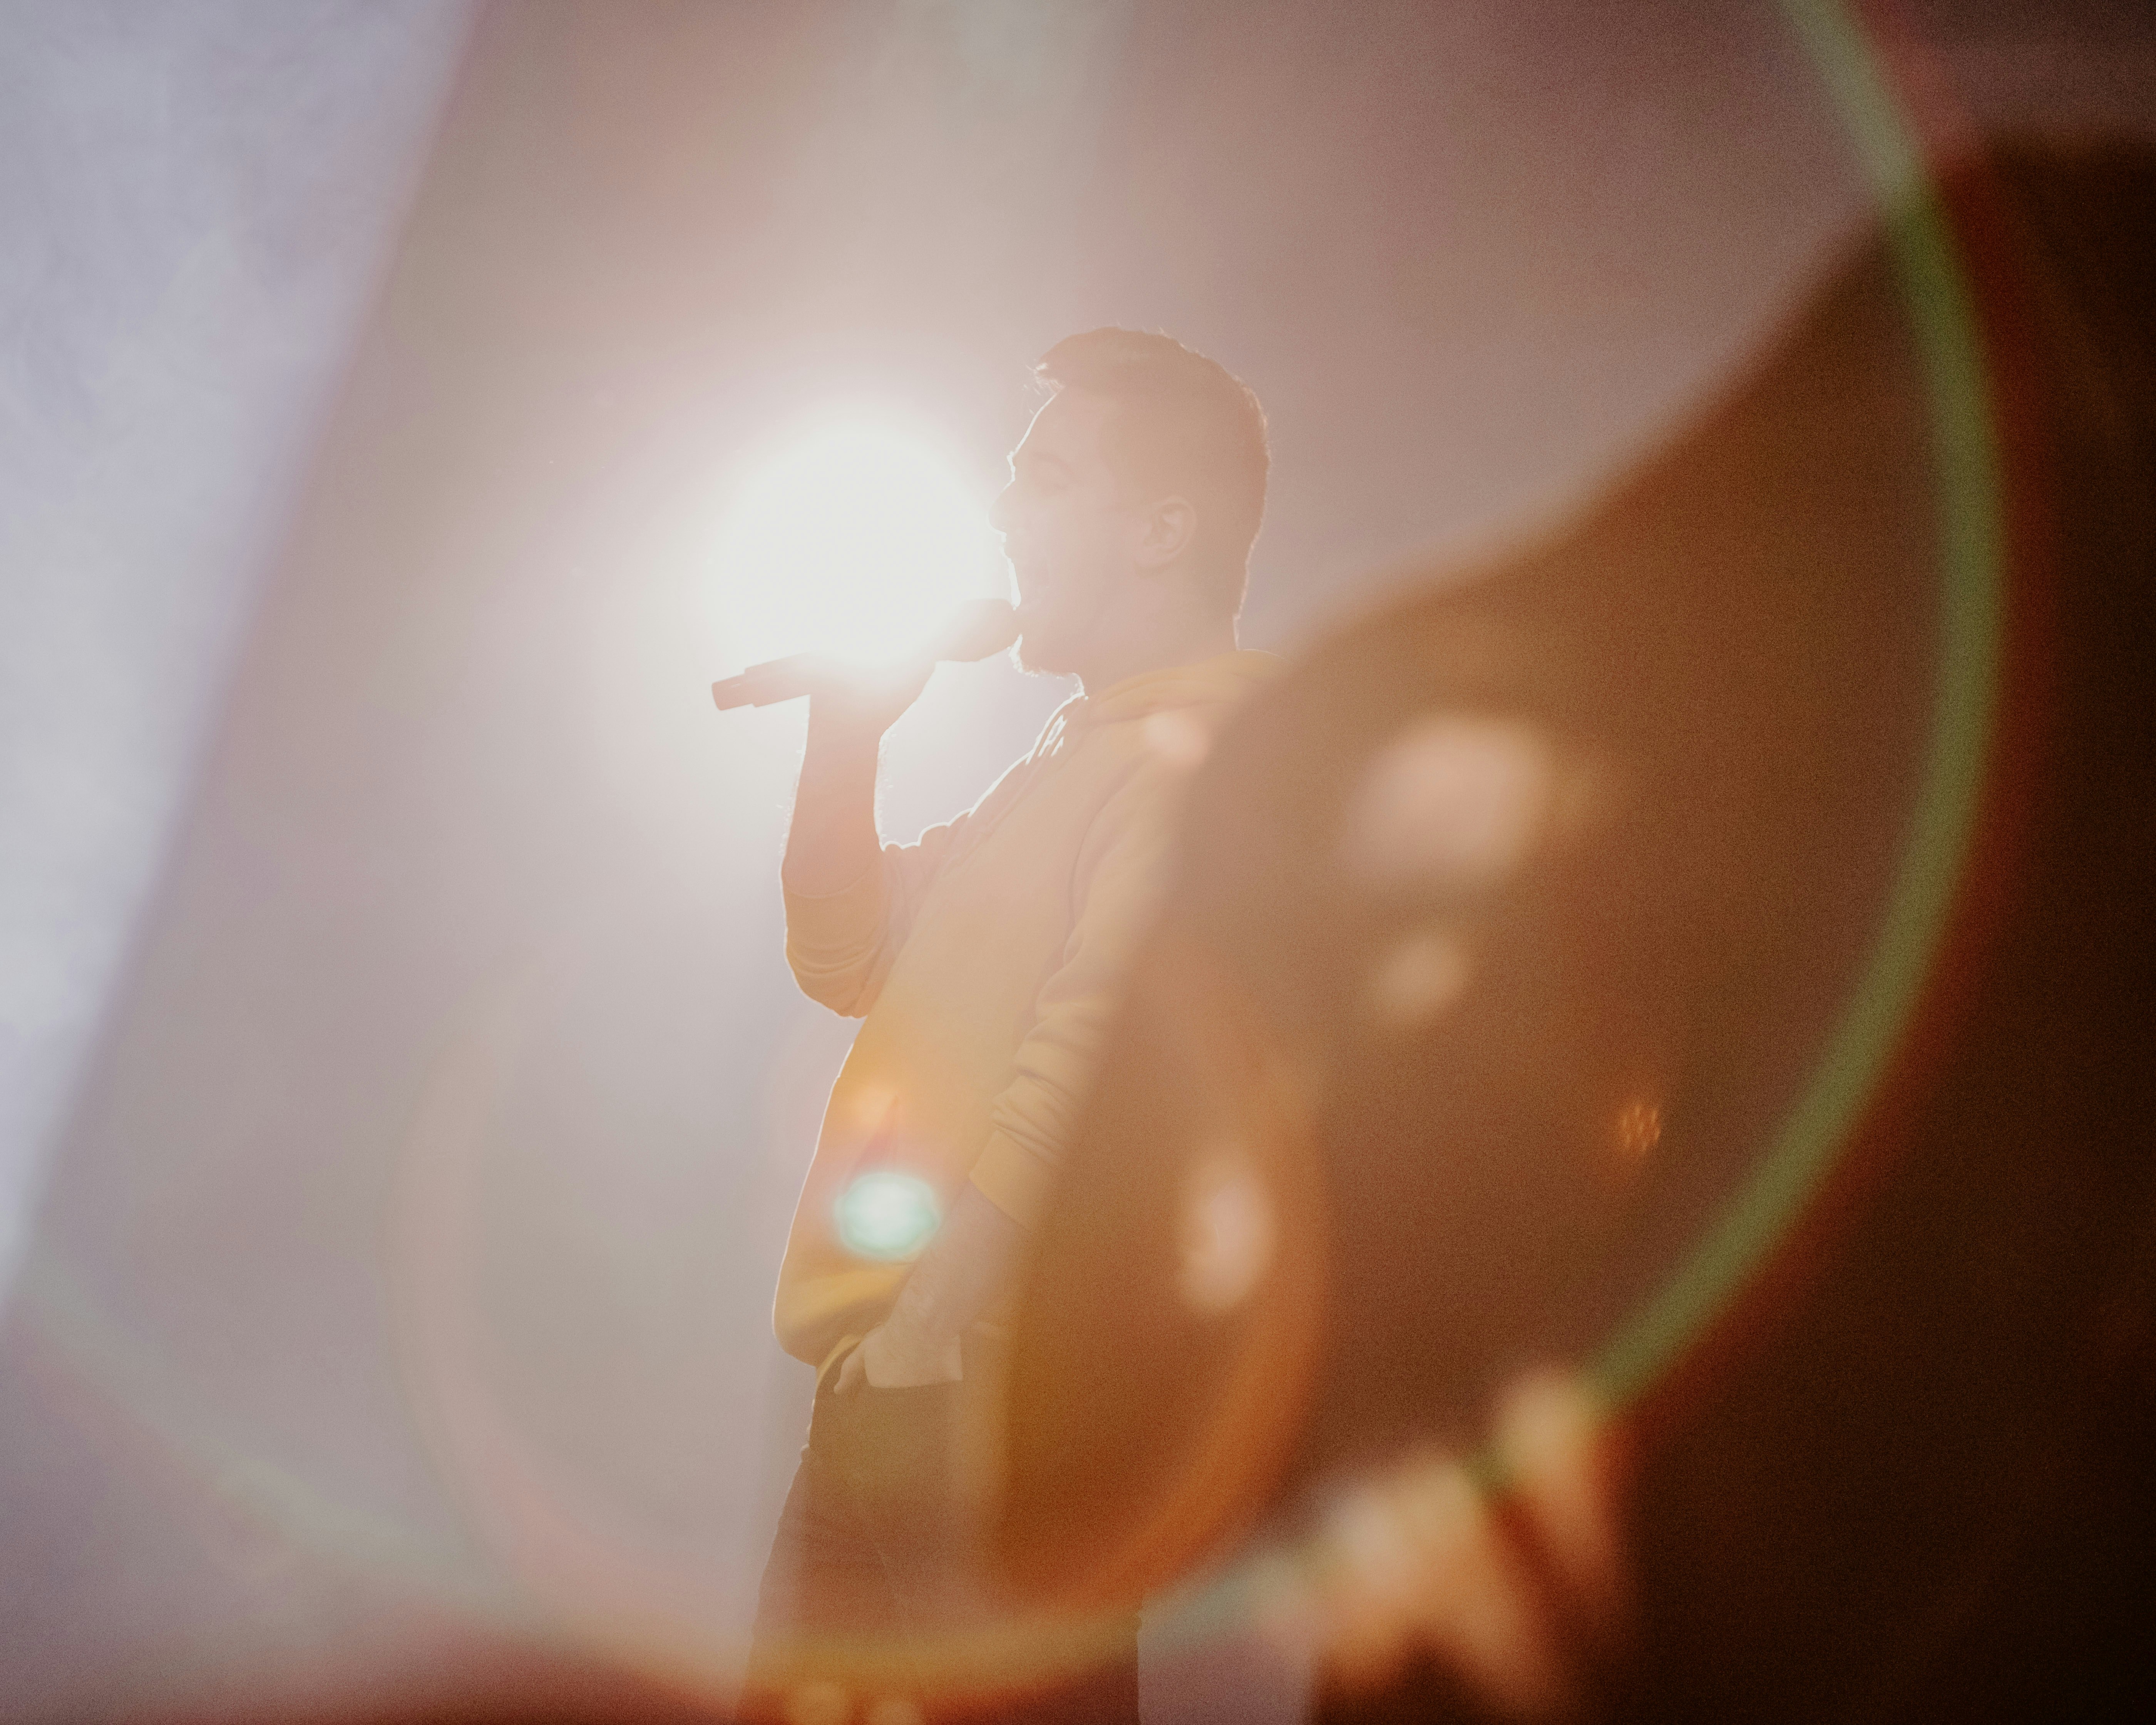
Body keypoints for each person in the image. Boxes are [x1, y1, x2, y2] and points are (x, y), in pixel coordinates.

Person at [743, 328, 1279, 1722]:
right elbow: (847, 950)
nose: (1002, 514)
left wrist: (936, 1333)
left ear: (1163, 526)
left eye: (1044, 475)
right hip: (903, 1389)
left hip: (995, 1409)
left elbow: (1098, 1065)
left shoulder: (1207, 753)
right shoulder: (1080, 753)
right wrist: (848, 737)